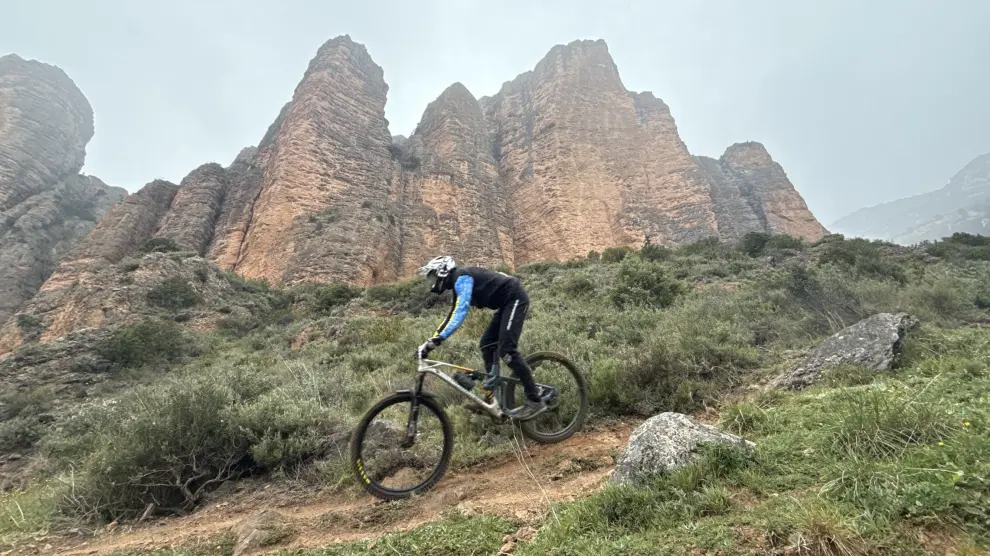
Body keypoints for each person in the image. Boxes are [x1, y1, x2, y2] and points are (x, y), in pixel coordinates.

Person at [416, 255, 546, 420]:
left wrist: (438, 340)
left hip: (515, 298)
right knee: (486, 344)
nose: (433, 282)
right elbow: (451, 315)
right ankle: (492, 398)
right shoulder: (457, 284)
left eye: (433, 276)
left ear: (442, 272)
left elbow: (460, 312)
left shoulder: (462, 278)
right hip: (505, 304)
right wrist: (431, 340)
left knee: (507, 350)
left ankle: (535, 399)